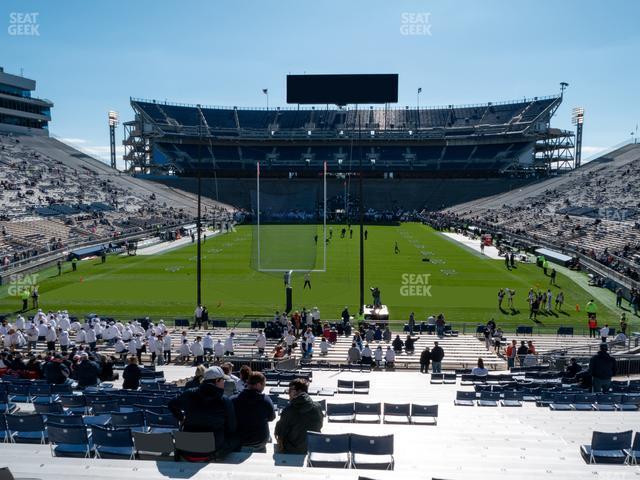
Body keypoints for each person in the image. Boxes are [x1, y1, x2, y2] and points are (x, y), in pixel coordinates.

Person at [168, 366, 237, 460]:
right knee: (236, 438)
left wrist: (182, 418)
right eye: (222, 380)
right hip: (211, 449)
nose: (224, 383)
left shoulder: (189, 394)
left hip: (187, 446)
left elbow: (171, 404)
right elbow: (231, 427)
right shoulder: (224, 400)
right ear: (217, 380)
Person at [274, 379, 323, 454]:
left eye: (290, 390)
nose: (288, 393)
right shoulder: (318, 407)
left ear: (299, 391)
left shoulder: (288, 410)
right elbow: (319, 426)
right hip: (312, 449)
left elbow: (280, 432)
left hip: (291, 451)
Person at [231, 372, 276, 451]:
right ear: (258, 384)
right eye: (264, 385)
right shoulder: (265, 400)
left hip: (239, 441)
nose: (264, 387)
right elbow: (271, 418)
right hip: (259, 442)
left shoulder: (233, 399)